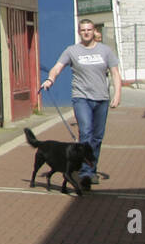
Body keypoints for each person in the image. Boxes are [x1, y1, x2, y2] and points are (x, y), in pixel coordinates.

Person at [41, 19, 121, 188]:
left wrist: (117, 94)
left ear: (94, 31)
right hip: (81, 98)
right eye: (83, 30)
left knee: (97, 137)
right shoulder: (72, 51)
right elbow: (57, 67)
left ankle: (91, 169)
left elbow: (115, 73)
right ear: (79, 32)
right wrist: (50, 79)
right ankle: (85, 173)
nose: (86, 32)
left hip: (102, 99)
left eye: (89, 29)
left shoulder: (105, 51)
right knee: (86, 133)